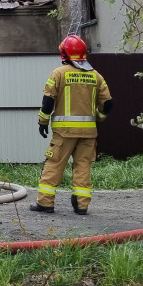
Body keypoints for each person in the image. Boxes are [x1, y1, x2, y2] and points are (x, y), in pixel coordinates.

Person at [31, 34, 112, 215]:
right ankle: (82, 206)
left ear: (65, 54)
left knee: (54, 164)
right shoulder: (96, 76)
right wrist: (98, 118)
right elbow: (108, 104)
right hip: (89, 133)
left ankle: (45, 203)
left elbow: (48, 101)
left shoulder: (59, 73)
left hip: (64, 132)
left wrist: (42, 121)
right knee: (83, 166)